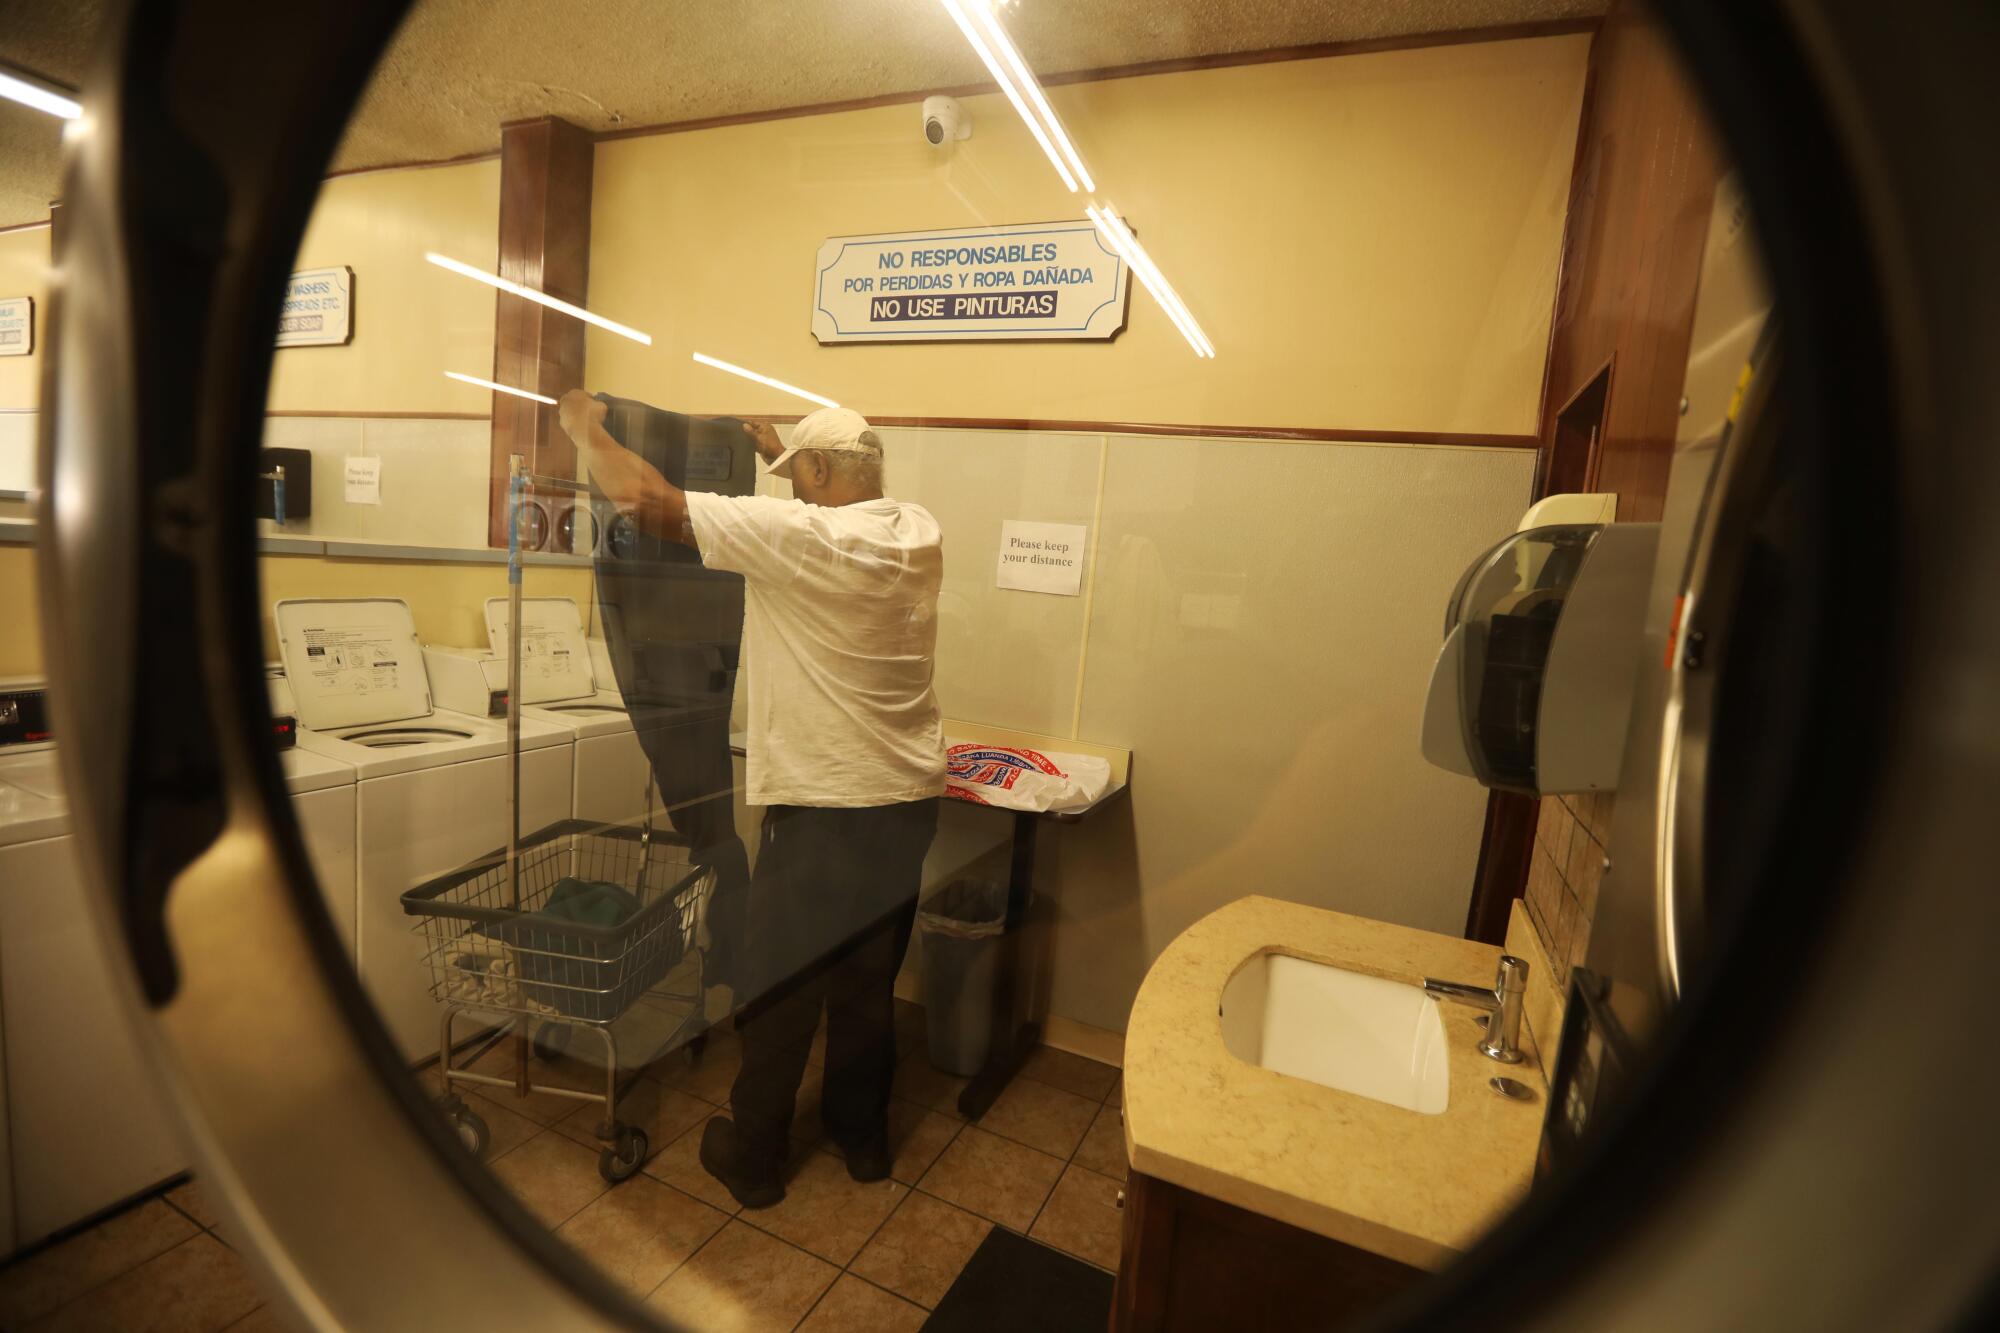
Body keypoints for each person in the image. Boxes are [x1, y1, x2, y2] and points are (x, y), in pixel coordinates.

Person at [558, 391, 945, 1207]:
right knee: (866, 985)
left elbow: (643, 500)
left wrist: (582, 428)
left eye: (799, 474)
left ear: (816, 472)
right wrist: (783, 449)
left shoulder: (801, 539)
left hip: (824, 813)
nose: (795, 490)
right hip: (908, 803)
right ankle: (861, 1137)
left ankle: (756, 1157)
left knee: (781, 986)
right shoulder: (915, 528)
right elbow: (819, 504)